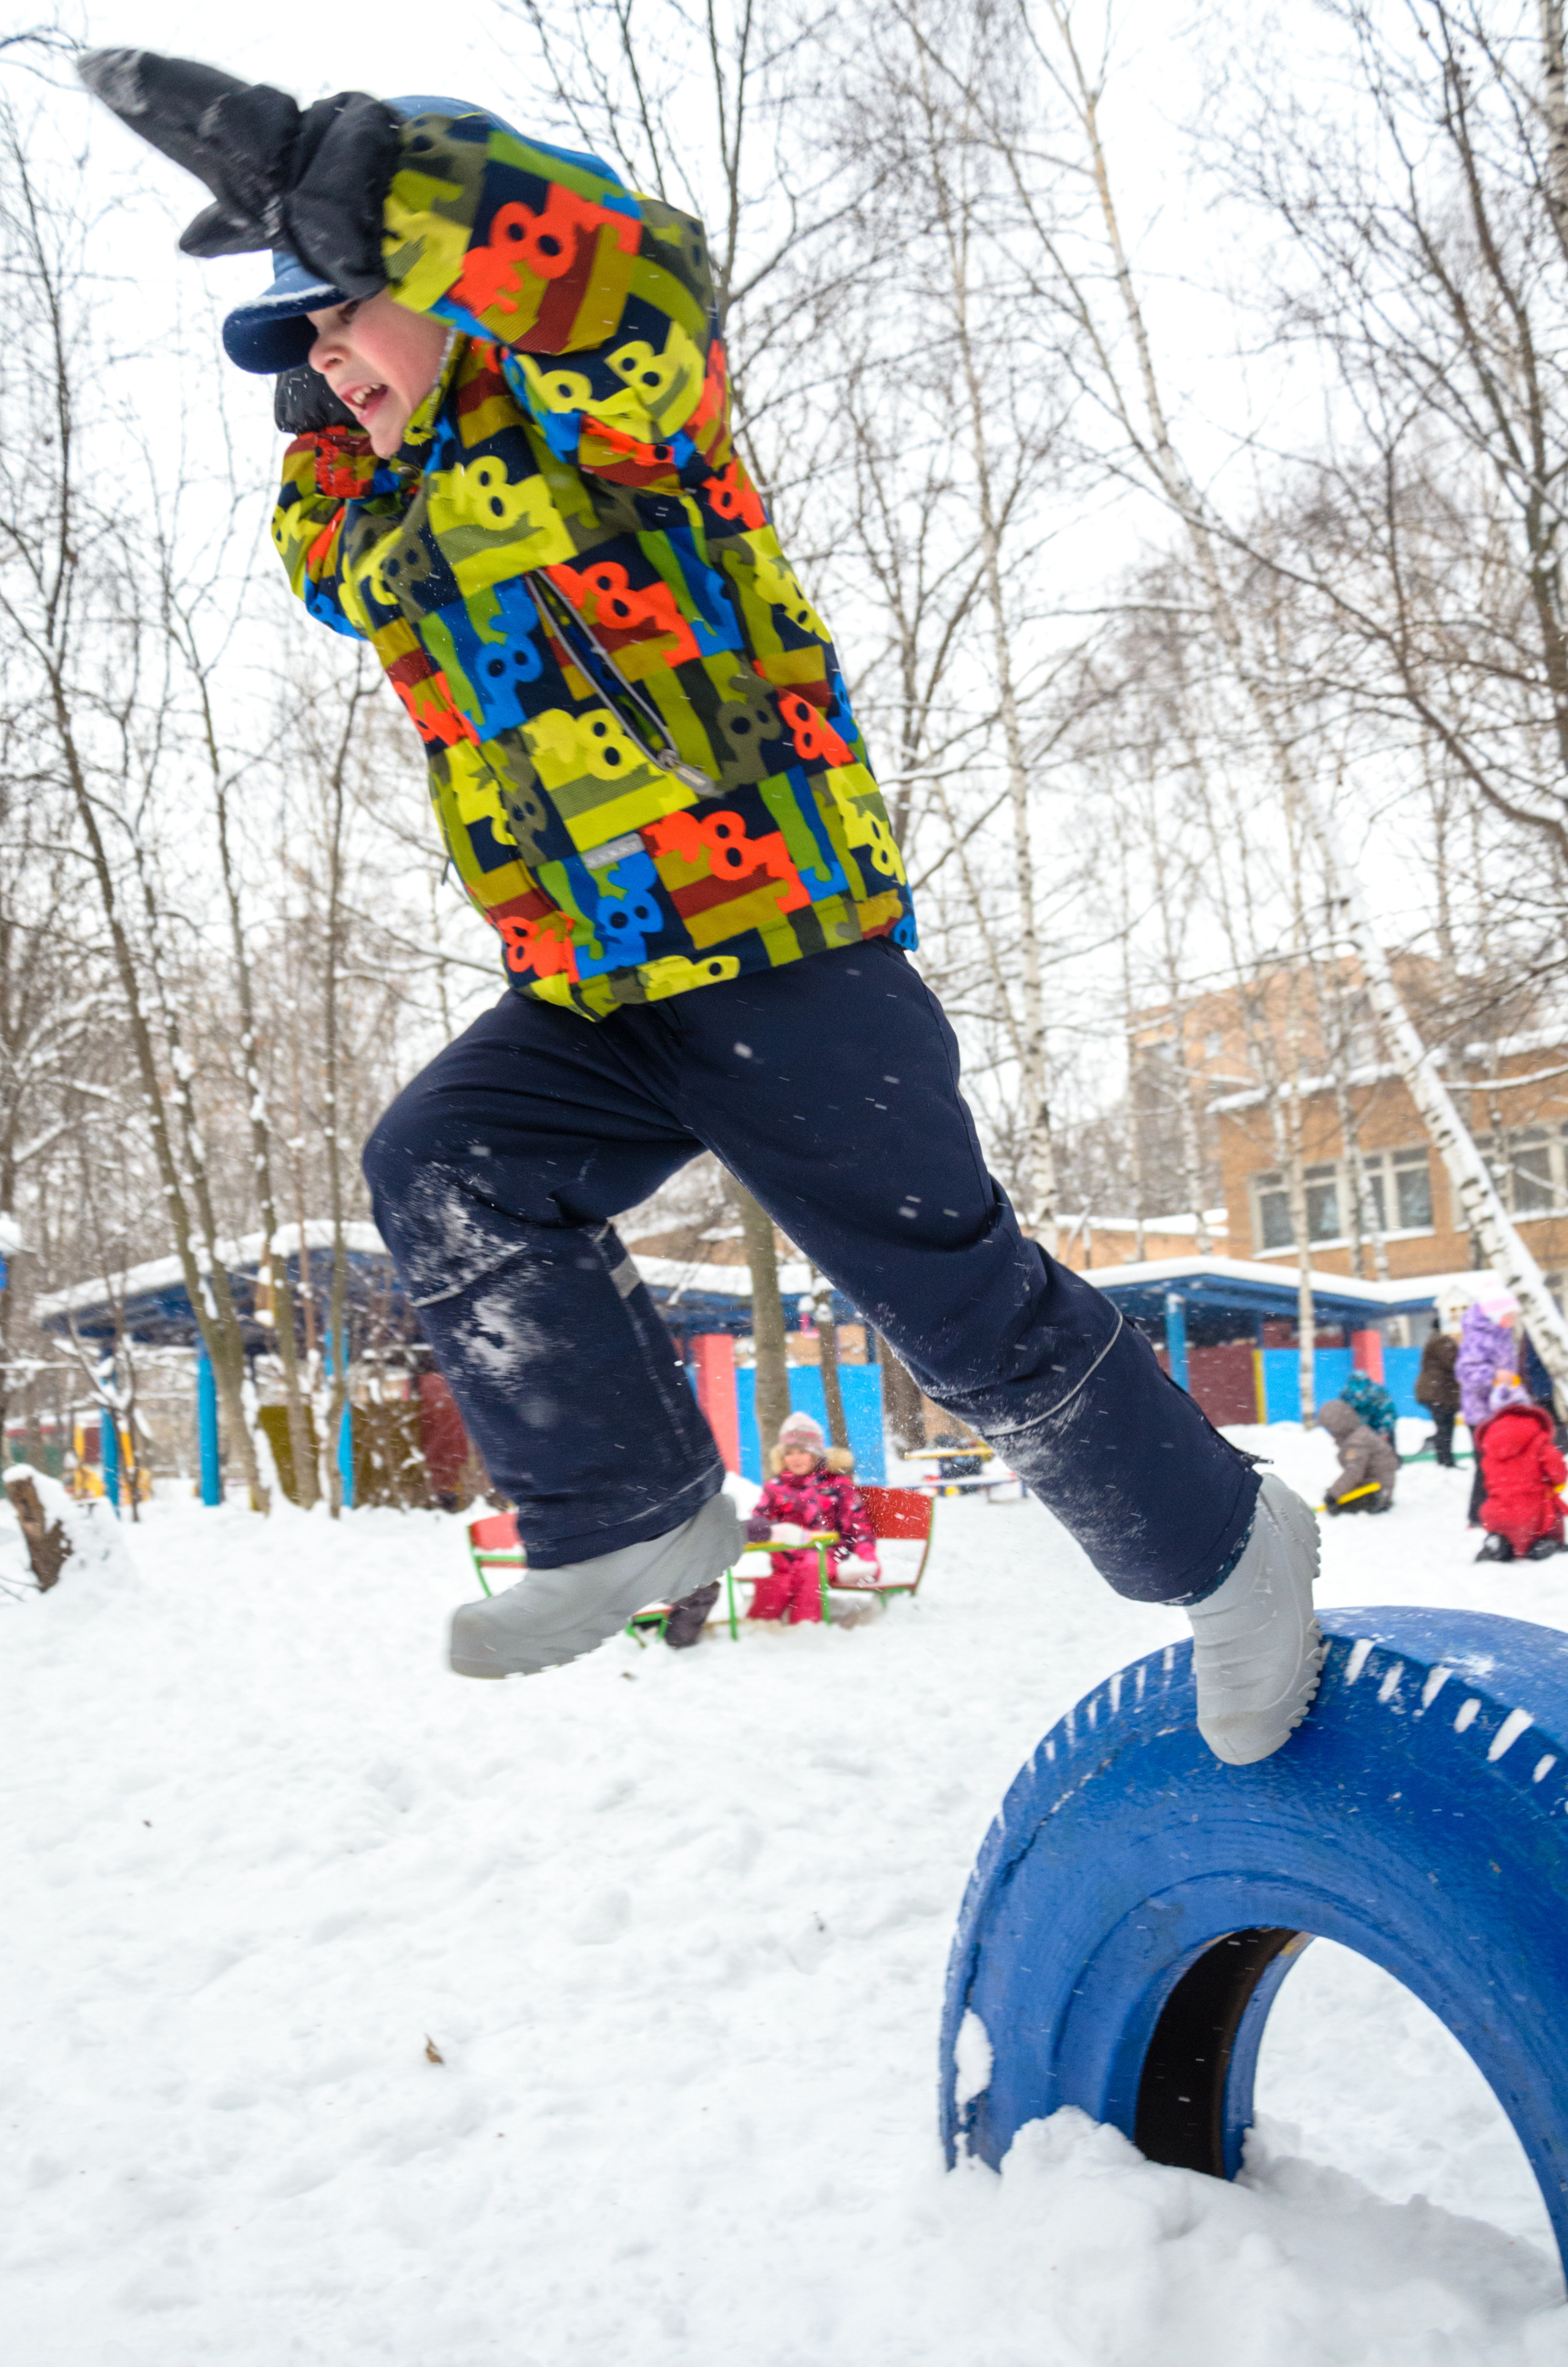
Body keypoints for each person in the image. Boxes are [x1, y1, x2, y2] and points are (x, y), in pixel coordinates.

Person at [78, 52, 1324, 1768]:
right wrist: (322, 397)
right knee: (443, 1165)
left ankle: (1231, 1552)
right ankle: (632, 1501)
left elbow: (636, 275)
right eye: (296, 345)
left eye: (347, 317)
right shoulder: (393, 528)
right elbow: (324, 561)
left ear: (457, 298)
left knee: (958, 1309)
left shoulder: (612, 422)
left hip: (780, 942)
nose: (324, 360)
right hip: (596, 986)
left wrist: (363, 180)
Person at [742, 1411, 878, 1624]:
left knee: (811, 1567)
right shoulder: (775, 1488)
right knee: (780, 1580)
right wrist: (756, 1527)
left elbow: (858, 1525)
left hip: (826, 1554)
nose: (795, 1458)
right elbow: (760, 1517)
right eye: (789, 1453)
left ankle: (805, 1626)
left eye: (802, 1451)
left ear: (816, 1454)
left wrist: (868, 1558)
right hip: (786, 1558)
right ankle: (760, 1629)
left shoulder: (837, 1485)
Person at [1474, 1380, 1567, 1564]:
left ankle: (1500, 1544)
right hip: (1536, 1511)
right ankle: (1544, 1544)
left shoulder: (1490, 1441)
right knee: (1549, 1520)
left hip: (1500, 1511)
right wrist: (1557, 1482)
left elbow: (1488, 1478)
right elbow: (1557, 1470)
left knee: (1504, 1528)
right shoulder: (1538, 1435)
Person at [1458, 1288, 1523, 1525]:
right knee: (1486, 1466)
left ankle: (1500, 1511)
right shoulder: (1478, 1338)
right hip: (1481, 1414)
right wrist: (1496, 1377)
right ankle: (1477, 1516)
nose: (1513, 1321)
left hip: (1500, 1410)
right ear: (1497, 1315)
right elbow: (1466, 1372)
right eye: (1511, 1315)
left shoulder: (1502, 1335)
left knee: (1502, 1465)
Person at [1315, 1399, 1397, 1516]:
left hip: (1375, 1492)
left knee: (1335, 1508)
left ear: (1336, 1426)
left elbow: (1354, 1472)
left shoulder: (1356, 1442)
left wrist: (1333, 1494)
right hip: (1381, 1489)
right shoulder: (1360, 1433)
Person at [1414, 1318, 1460, 1467]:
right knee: (1445, 1426)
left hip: (1437, 1391)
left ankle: (1444, 1458)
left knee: (1445, 1426)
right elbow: (1453, 1362)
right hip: (1438, 1392)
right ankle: (1445, 1461)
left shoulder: (1436, 1339)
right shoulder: (1442, 1341)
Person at [1338, 1368, 1398, 1450]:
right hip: (1356, 1433)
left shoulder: (1377, 1393)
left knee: (1385, 1455)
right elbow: (1340, 1418)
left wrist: (1384, 1430)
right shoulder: (1346, 1395)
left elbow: (1388, 1413)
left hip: (1377, 1428)